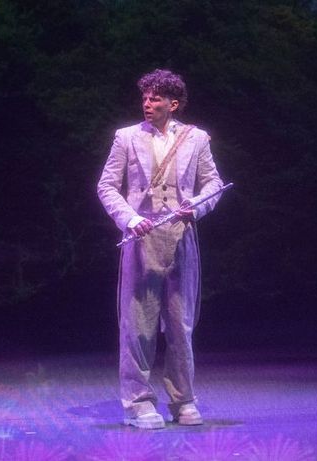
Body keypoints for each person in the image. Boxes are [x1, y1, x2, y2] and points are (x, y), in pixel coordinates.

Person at [97, 69, 224, 429]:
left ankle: (183, 400)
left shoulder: (196, 138)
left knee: (181, 324)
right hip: (142, 236)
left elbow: (213, 183)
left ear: (174, 103)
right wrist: (130, 218)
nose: (147, 103)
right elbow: (107, 186)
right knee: (138, 324)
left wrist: (195, 206)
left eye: (155, 98)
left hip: (181, 235)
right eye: (145, 97)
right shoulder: (126, 137)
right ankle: (138, 403)